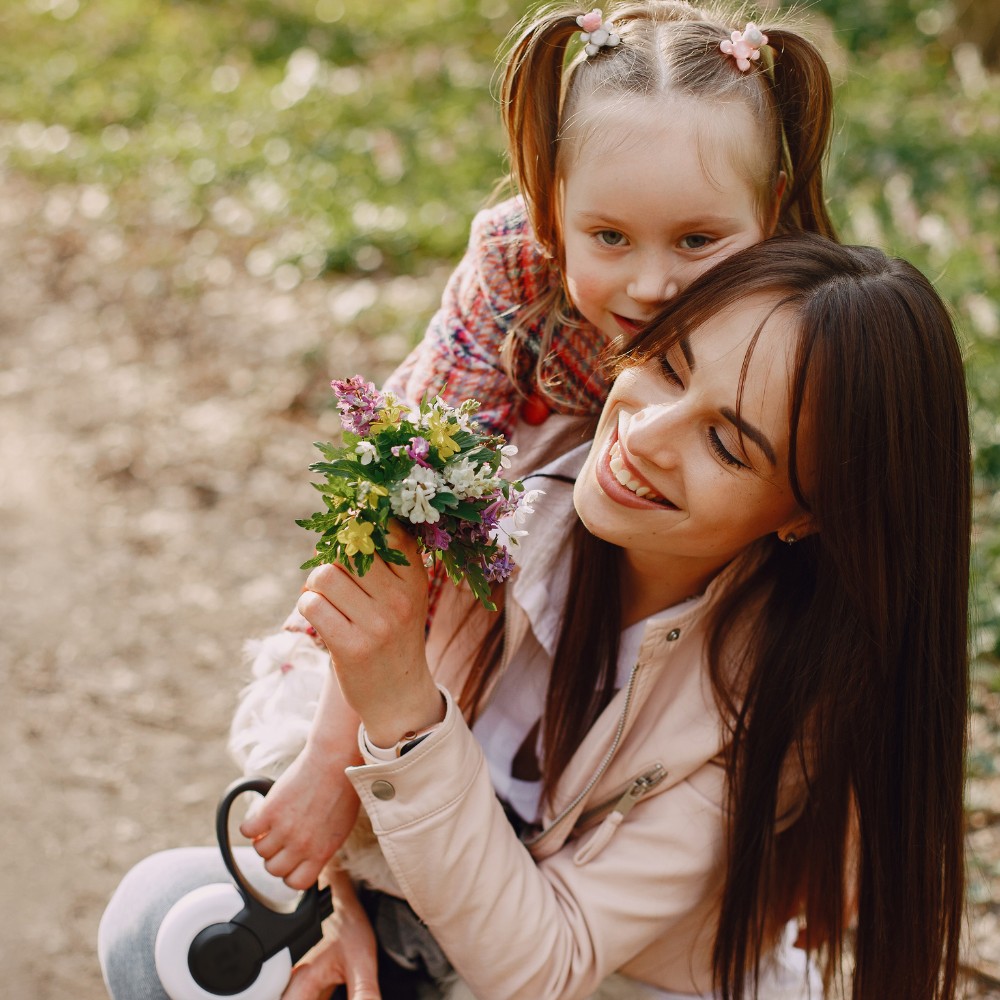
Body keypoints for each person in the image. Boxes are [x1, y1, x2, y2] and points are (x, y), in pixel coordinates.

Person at [99, 234, 971, 1000]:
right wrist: (334, 896)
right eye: (668, 365)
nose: (648, 433)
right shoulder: (491, 485)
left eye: (726, 443)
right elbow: (292, 699)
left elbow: (547, 967)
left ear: (805, 513)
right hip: (400, 924)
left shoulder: (779, 700)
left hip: (600, 985)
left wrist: (405, 713)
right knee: (161, 928)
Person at [240, 0, 842, 905]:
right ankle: (377, 879)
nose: (650, 284)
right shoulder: (516, 269)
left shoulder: (802, 318)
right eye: (609, 237)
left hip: (688, 627)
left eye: (698, 241)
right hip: (506, 575)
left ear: (775, 212)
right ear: (552, 205)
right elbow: (409, 493)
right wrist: (333, 760)